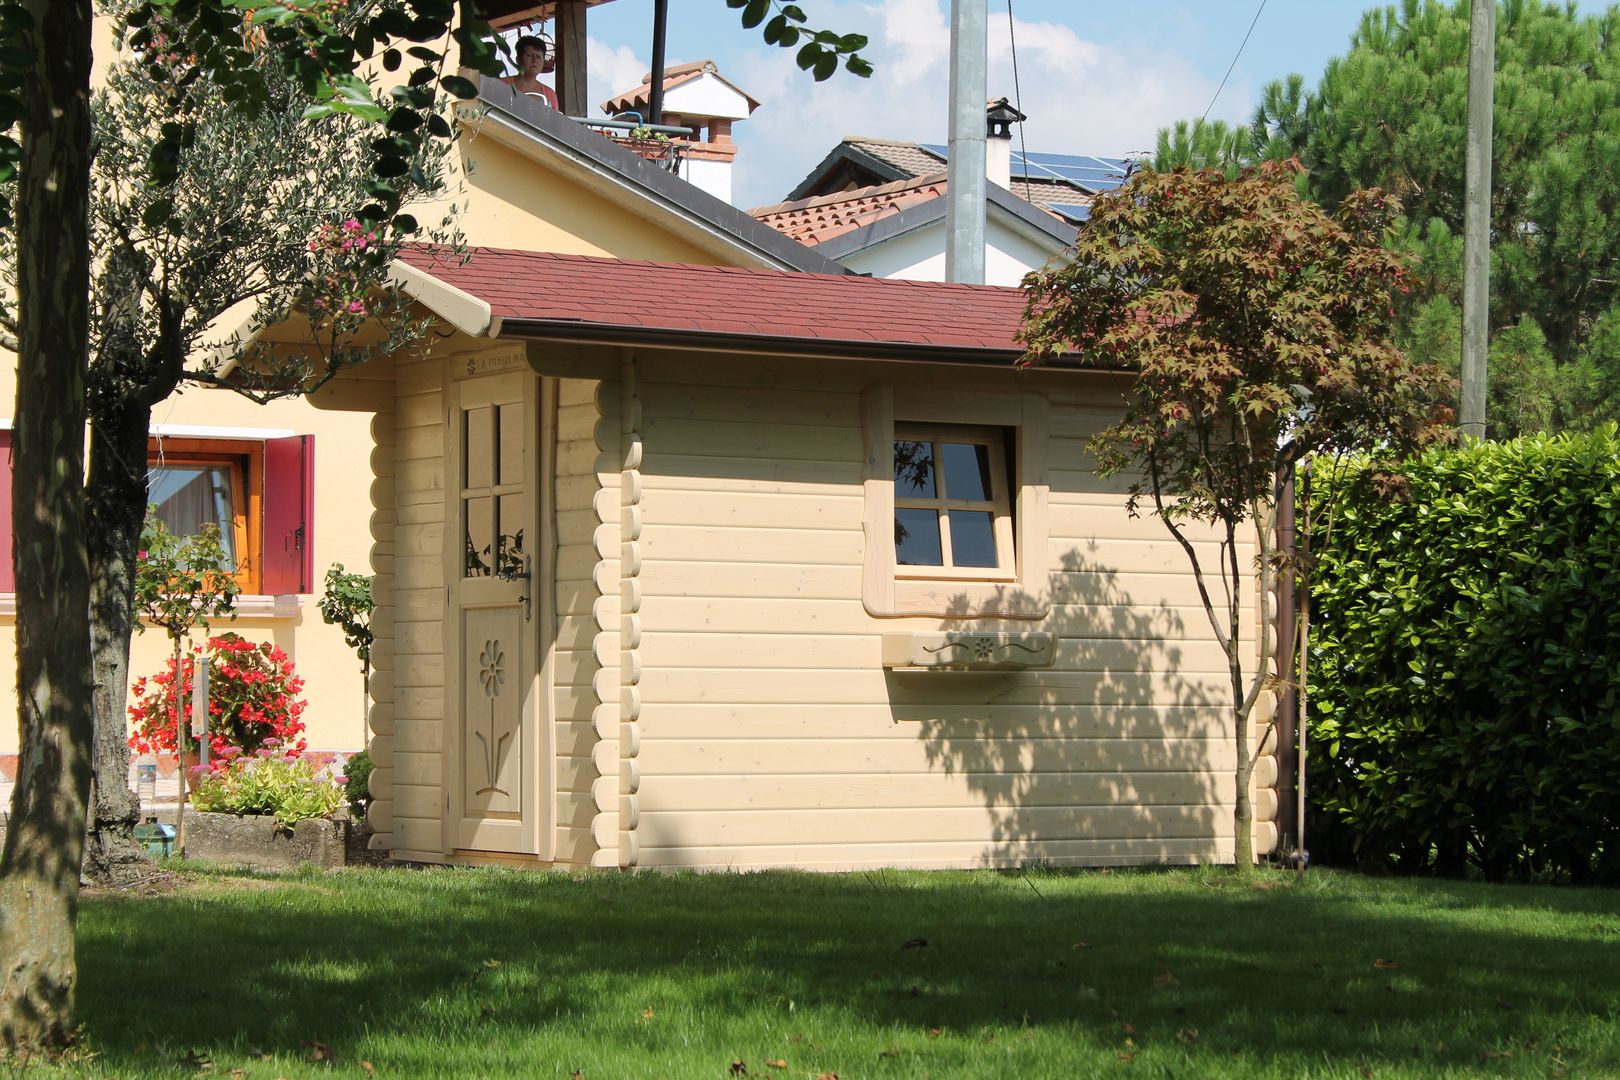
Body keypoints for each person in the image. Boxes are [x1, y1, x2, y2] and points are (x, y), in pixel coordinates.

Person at [502, 35, 559, 109]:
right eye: (529, 55)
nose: (534, 60)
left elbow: (553, 119)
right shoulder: (500, 84)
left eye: (538, 57)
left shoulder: (549, 94)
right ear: (518, 59)